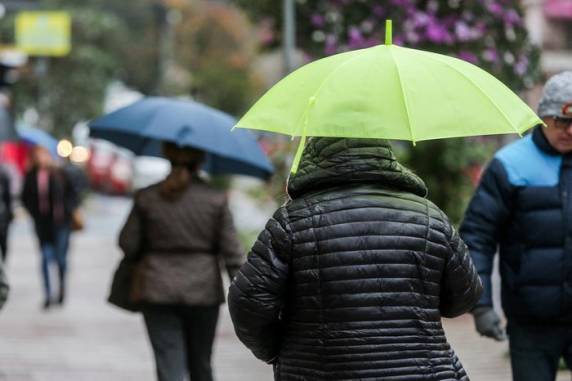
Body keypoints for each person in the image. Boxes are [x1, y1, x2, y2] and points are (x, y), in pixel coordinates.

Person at [228, 137, 483, 380]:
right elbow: (465, 296)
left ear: (317, 155)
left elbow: (247, 303)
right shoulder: (429, 218)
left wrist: (277, 349)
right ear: (383, 151)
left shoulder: (292, 221)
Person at [460, 71, 572, 381]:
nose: (570, 131)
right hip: (531, 320)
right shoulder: (510, 165)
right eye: (561, 122)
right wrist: (480, 306)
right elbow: (477, 237)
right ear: (543, 118)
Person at [116, 143, 243, 381]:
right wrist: (247, 294)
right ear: (200, 162)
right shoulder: (215, 200)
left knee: (169, 365)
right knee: (201, 366)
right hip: (203, 292)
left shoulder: (147, 197)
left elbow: (127, 243)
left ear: (167, 157)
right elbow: (233, 253)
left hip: (156, 289)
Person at [22, 146, 78, 309]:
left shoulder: (60, 174)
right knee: (45, 258)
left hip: (61, 224)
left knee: (60, 259)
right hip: (42, 225)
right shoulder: (31, 176)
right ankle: (47, 293)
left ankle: (61, 288)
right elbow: (25, 197)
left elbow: (73, 194)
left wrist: (67, 211)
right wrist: (34, 213)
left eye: (43, 155)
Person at [0, 165, 13, 261]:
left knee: (3, 241)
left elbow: (8, 198)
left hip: (2, 216)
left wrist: (9, 214)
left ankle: (3, 261)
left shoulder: (4, 175)